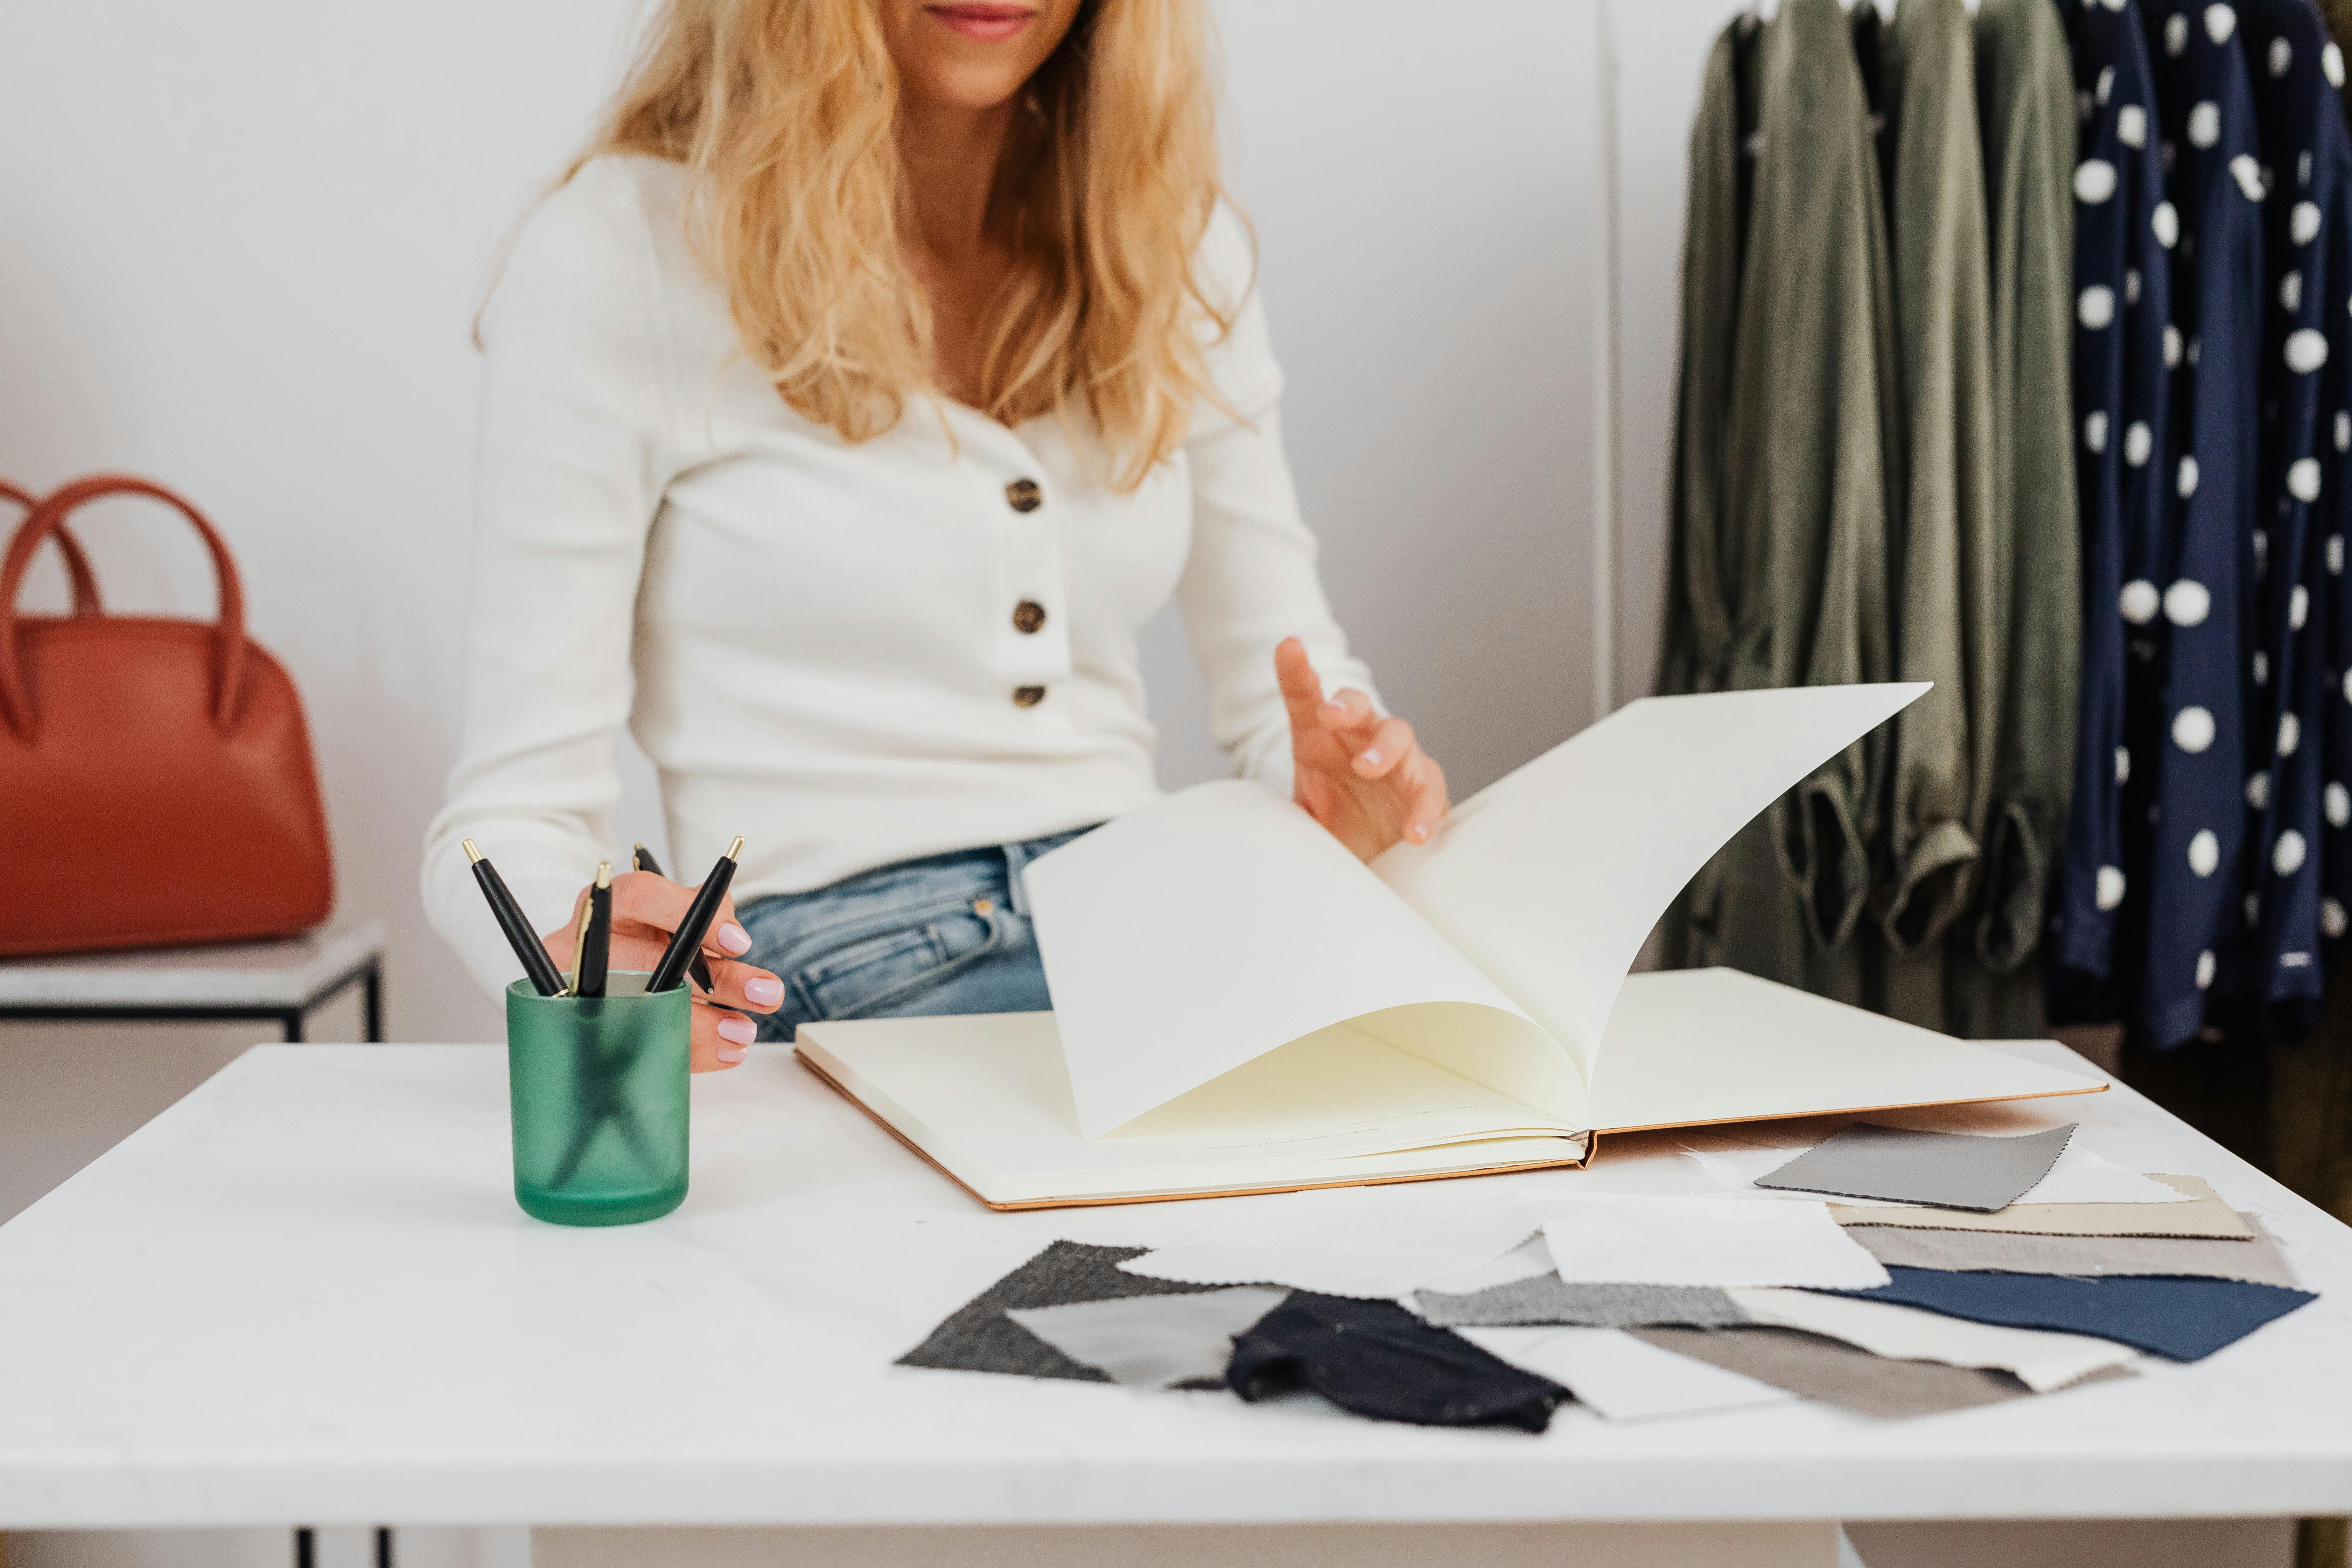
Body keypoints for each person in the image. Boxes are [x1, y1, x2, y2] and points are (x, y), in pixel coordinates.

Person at [421, 0, 1447, 1070]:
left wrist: (1348, 778)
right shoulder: (620, 248)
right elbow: (509, 816)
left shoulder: (1173, 243)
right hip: (851, 955)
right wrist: (588, 960)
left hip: (1164, 914)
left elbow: (1287, 684)